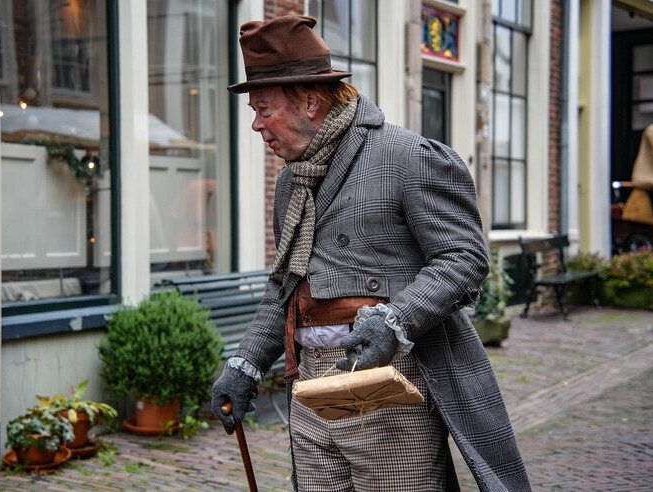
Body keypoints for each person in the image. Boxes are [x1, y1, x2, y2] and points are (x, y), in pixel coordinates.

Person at [211, 15, 530, 491]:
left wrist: (395, 319)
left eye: (264, 110)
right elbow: (286, 288)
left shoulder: (407, 157)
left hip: (390, 375)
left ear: (311, 103)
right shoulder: (290, 183)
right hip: (310, 389)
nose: (257, 125)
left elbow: (464, 258)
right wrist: (246, 363)